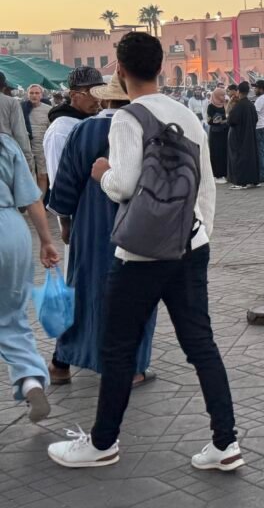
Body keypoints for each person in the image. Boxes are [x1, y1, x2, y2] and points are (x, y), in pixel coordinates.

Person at [47, 31, 242, 471]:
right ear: (159, 67)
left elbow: (124, 186)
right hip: (189, 244)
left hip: (140, 254)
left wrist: (102, 173)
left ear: (120, 70)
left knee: (117, 348)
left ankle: (102, 444)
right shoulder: (186, 115)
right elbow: (206, 185)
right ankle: (225, 442)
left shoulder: (127, 118)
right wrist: (199, 233)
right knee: (201, 345)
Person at [47, 76, 157, 388]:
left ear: (105, 100)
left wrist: (67, 224)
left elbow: (66, 182)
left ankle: (61, 363)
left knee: (83, 291)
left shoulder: (84, 129)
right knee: (134, 293)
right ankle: (130, 367)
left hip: (90, 223)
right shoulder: (146, 127)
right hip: (135, 221)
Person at [0, 131, 59, 423]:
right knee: (12, 315)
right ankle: (30, 380)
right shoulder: (5, 143)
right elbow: (32, 198)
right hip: (11, 229)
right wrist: (47, 241)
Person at [44, 67, 103, 185]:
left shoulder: (99, 120)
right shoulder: (60, 130)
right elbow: (58, 179)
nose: (97, 99)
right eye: (91, 93)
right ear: (73, 95)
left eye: (100, 92)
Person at [227, 81, 260, 190]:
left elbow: (231, 120)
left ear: (238, 91)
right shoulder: (250, 104)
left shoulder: (239, 106)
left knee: (238, 157)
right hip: (250, 136)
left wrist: (229, 107)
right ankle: (253, 180)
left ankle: (240, 182)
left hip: (239, 137)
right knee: (251, 157)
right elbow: (255, 119)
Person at [23, 84, 52, 194]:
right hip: (26, 147)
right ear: (27, 95)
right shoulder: (21, 108)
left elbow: (51, 129)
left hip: (42, 148)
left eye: (37, 93)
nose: (34, 95)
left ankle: (40, 202)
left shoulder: (49, 110)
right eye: (31, 93)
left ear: (41, 95)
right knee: (28, 176)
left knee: (42, 175)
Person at [0, 72, 32, 169]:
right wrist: (28, 158)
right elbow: (20, 132)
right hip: (5, 155)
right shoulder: (11, 102)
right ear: (4, 87)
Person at [206, 88, 229, 184]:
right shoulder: (211, 106)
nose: (223, 97)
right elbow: (209, 120)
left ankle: (224, 173)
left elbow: (228, 116)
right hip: (215, 133)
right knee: (216, 153)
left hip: (224, 131)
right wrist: (220, 120)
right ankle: (217, 175)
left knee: (224, 153)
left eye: (224, 95)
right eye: (221, 95)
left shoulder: (225, 105)